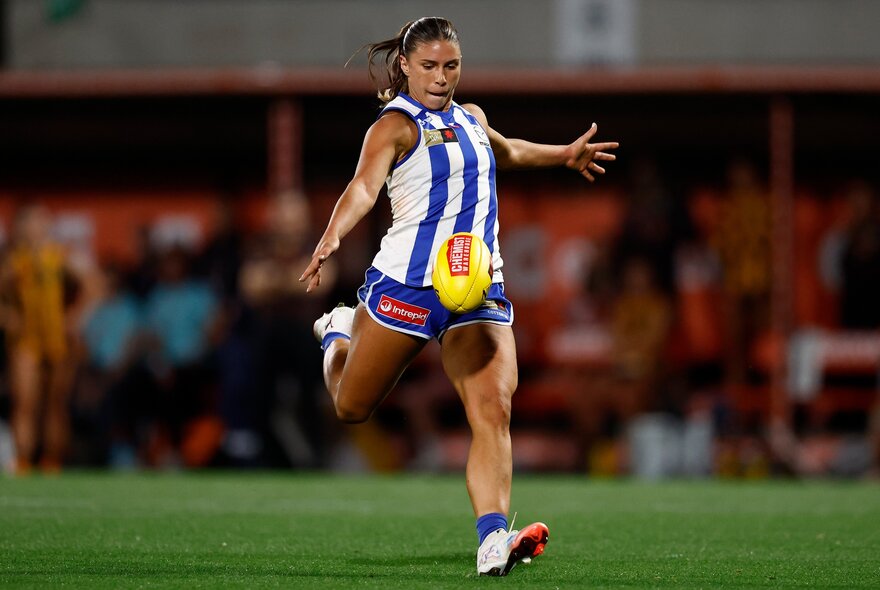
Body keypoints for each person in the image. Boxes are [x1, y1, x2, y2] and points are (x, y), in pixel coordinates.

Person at [299, 17, 618, 576]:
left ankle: (492, 540)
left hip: (476, 288)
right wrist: (332, 235)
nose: (441, 77)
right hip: (408, 286)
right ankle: (339, 333)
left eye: (451, 66)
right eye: (429, 66)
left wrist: (563, 154)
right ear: (405, 66)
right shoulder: (395, 126)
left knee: (493, 409)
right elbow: (364, 188)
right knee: (351, 407)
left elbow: (507, 152)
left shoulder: (472, 117)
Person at [0, 205, 84, 474]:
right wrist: (8, 317)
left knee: (55, 403)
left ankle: (51, 461)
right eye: (31, 221)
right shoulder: (13, 260)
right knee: (24, 402)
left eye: (41, 221)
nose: (36, 227)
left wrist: (74, 318)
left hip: (57, 339)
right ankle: (24, 461)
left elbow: (91, 286)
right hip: (25, 339)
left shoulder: (61, 257)